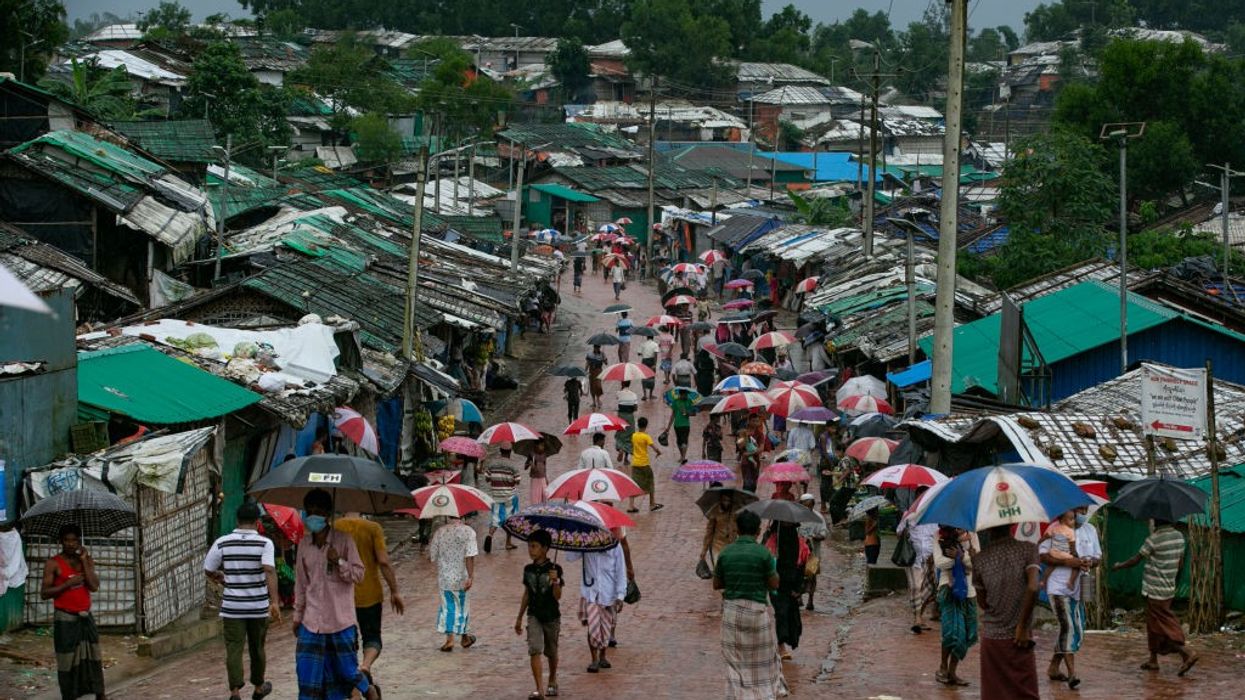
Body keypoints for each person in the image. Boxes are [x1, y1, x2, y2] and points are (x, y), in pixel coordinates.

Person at [291, 489, 376, 700]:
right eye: (310, 511)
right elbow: (301, 584)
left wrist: (339, 561)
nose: (314, 515)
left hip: (340, 621)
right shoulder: (304, 545)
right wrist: (297, 616)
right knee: (308, 677)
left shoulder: (344, 540)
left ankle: (368, 689)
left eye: (319, 511)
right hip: (311, 622)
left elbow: (359, 575)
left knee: (346, 672)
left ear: (328, 514)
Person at [205, 502, 280, 700]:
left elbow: (208, 569)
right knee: (257, 647)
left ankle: (235, 691)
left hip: (232, 608)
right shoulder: (265, 543)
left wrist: (222, 578)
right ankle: (258, 686)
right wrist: (274, 601)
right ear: (257, 522)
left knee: (233, 648)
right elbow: (269, 570)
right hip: (258, 607)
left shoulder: (223, 542)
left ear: (237, 520)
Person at [714, 510, 788, 700]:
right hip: (757, 613)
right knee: (762, 660)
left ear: (737, 530)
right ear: (758, 531)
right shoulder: (764, 553)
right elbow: (774, 584)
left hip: (731, 612)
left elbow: (717, 584)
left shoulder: (726, 553)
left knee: (735, 662)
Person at [1112, 518, 1198, 676]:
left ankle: (1186, 652)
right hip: (1168, 587)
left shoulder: (1153, 539)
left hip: (1154, 589)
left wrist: (1119, 566)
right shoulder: (1179, 536)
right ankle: (1153, 659)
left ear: (1156, 522)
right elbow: (1180, 564)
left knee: (1163, 625)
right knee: (1153, 625)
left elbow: (1135, 560)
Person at [334, 510, 405, 689]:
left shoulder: (334, 528)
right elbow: (383, 561)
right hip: (370, 593)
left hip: (341, 596)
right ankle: (365, 666)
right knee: (372, 636)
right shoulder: (373, 528)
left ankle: (353, 677)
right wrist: (394, 590)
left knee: (348, 640)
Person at [973, 525, 1041, 700]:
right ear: (1012, 523)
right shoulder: (1028, 549)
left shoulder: (979, 559)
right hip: (1019, 638)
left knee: (994, 695)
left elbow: (983, 602)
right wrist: (1022, 626)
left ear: (987, 528)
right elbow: (1033, 587)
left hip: (993, 638)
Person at [41, 523, 105, 700]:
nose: (70, 544)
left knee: (93, 656)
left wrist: (84, 561)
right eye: (67, 540)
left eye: (74, 540)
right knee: (67, 660)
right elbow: (44, 593)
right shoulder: (53, 563)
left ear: (79, 541)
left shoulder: (86, 560)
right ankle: (69, 696)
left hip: (85, 617)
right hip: (65, 618)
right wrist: (67, 584)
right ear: (61, 541)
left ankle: (100, 693)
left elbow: (94, 586)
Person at [1041, 507, 1101, 689]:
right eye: (1079, 509)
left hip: (1083, 584)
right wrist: (1067, 562)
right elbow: (1043, 555)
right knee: (1068, 626)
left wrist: (1090, 562)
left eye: (1085, 509)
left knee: (1079, 628)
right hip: (1059, 585)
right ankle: (1072, 674)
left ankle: (1053, 667)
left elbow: (1098, 557)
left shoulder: (1090, 530)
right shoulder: (1055, 528)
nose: (1083, 512)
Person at [516, 530, 563, 700]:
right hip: (534, 614)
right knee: (534, 649)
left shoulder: (555, 569)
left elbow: (558, 596)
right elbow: (527, 593)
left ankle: (552, 679)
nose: (531, 550)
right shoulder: (528, 569)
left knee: (551, 651)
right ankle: (539, 689)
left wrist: (555, 581)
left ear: (545, 548)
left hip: (551, 615)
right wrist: (519, 617)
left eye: (534, 546)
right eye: (529, 546)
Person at [568, 543, 627, 673]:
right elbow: (570, 557)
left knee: (605, 627)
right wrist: (575, 542)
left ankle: (602, 656)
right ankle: (594, 659)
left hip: (608, 594)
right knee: (593, 626)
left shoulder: (615, 547)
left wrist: (620, 595)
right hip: (590, 593)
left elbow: (621, 571)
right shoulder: (587, 544)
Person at [933, 526, 978, 687]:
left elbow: (976, 563)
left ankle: (952, 670)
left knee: (968, 634)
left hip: (969, 591)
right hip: (949, 588)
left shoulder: (972, 535)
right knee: (951, 632)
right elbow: (940, 563)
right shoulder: (939, 535)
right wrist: (961, 559)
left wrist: (961, 556)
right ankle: (943, 667)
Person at [429, 515, 479, 652]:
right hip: (462, 577)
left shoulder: (440, 532)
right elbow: (470, 556)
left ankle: (450, 639)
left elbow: (433, 555)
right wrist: (471, 576)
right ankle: (464, 637)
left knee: (448, 607)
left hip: (445, 577)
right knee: (462, 607)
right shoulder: (469, 532)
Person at [764, 522, 808, 660]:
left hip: (792, 584)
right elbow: (764, 561)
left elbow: (803, 565)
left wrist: (798, 588)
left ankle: (785, 642)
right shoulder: (771, 541)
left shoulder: (799, 542)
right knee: (781, 612)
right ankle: (781, 645)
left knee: (791, 613)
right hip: (776, 584)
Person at [898, 503, 938, 635]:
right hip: (913, 559)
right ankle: (917, 619)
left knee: (930, 588)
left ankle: (919, 616)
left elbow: (937, 537)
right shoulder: (908, 515)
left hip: (930, 559)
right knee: (915, 587)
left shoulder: (934, 518)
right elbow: (898, 532)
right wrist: (905, 530)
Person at [484, 443, 521, 553]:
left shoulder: (492, 463)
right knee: (510, 520)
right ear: (510, 452)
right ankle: (508, 543)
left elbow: (487, 479)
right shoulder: (513, 465)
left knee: (495, 519)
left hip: (496, 496)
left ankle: (490, 535)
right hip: (510, 497)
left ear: (500, 450)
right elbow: (517, 481)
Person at [797, 494, 828, 611]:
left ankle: (810, 600)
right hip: (798, 554)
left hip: (813, 554)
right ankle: (799, 597)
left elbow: (823, 534)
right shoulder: (796, 517)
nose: (808, 508)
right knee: (798, 575)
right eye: (805, 506)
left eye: (810, 506)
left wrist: (814, 537)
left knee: (811, 576)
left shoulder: (818, 517)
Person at [628, 417, 663, 513]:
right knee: (650, 483)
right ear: (646, 425)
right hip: (644, 464)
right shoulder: (646, 437)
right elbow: (654, 447)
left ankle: (631, 506)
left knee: (634, 484)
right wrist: (659, 452)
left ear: (638, 425)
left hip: (635, 463)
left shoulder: (634, 436)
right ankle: (652, 504)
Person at [701, 489, 741, 567]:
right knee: (718, 567)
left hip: (731, 545)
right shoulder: (715, 511)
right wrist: (704, 550)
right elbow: (709, 532)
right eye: (724, 500)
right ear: (721, 500)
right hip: (717, 545)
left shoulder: (736, 511)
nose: (726, 503)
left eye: (729, 500)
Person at [663, 386, 696, 464]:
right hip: (677, 425)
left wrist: (687, 413)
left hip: (686, 425)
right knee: (679, 442)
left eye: (686, 395)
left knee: (684, 441)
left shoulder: (689, 401)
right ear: (681, 394)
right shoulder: (675, 402)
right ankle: (682, 456)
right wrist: (668, 427)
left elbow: (694, 413)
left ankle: (683, 457)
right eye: (685, 394)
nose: (686, 396)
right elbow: (673, 415)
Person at [615, 382, 638, 467]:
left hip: (620, 416)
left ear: (622, 384)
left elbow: (618, 399)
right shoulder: (634, 395)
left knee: (620, 434)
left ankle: (620, 449)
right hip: (629, 416)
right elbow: (636, 408)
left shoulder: (619, 393)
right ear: (630, 384)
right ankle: (626, 459)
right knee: (629, 436)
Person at [525, 441, 550, 506]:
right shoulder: (531, 454)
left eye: (543, 445)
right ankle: (535, 509)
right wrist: (530, 464)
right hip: (535, 479)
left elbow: (544, 466)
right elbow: (525, 467)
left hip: (543, 478)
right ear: (536, 446)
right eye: (541, 445)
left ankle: (544, 509)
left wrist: (546, 478)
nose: (542, 447)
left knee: (545, 496)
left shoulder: (544, 455)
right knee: (535, 498)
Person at [637, 334, 659, 400]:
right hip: (652, 361)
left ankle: (644, 395)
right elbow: (656, 354)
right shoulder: (655, 344)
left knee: (644, 377)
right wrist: (655, 364)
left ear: (647, 337)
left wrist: (643, 351)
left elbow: (639, 353)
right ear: (653, 337)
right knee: (652, 378)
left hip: (644, 361)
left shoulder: (643, 344)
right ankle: (650, 394)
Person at [585, 345, 606, 411]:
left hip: (599, 371)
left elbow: (606, 363)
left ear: (599, 348)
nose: (596, 348)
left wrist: (604, 359)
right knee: (592, 386)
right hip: (592, 371)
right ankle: (594, 401)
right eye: (595, 347)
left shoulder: (602, 354)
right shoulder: (590, 354)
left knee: (598, 386)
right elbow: (587, 363)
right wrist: (585, 371)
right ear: (594, 347)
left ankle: (598, 399)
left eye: (598, 347)